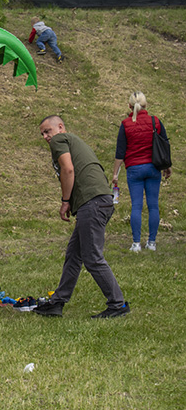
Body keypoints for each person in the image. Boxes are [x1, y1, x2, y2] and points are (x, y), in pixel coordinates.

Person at [35, 116, 130, 318]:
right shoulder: (74, 140)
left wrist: (65, 200)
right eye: (42, 133)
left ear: (60, 127)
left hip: (93, 202)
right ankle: (57, 302)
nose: (45, 137)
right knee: (74, 254)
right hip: (99, 200)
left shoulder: (60, 140)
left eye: (47, 131)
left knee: (92, 257)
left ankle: (117, 304)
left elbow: (68, 170)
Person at [112, 92, 172, 252]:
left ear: (129, 106)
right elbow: (164, 144)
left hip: (134, 169)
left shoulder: (126, 124)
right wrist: (168, 166)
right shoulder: (155, 122)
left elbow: (120, 151)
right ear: (146, 105)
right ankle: (151, 242)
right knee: (153, 206)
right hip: (153, 168)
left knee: (136, 206)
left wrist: (115, 174)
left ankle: (136, 243)